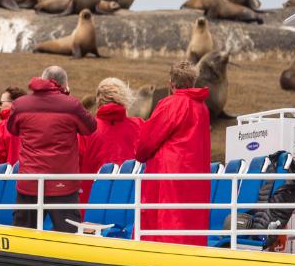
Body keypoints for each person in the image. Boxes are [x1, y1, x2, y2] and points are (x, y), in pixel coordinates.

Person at [8, 66, 97, 232]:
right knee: (69, 237)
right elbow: (90, 128)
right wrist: (66, 97)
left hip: (30, 183)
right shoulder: (72, 106)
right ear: (64, 85)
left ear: (42, 79)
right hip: (63, 184)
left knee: (22, 236)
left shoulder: (20, 105)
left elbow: (12, 129)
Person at [135, 62, 211, 245]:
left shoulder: (171, 104)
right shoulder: (202, 108)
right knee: (191, 224)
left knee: (167, 225)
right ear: (193, 82)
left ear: (171, 83)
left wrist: (140, 152)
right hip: (195, 175)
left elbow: (147, 141)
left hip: (169, 176)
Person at [78, 78, 143, 205]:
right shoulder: (139, 126)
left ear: (98, 99)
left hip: (92, 200)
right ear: (124, 98)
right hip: (130, 199)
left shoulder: (85, 129)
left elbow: (76, 162)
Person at [0, 86, 26, 169]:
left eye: (1, 103)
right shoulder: (32, 124)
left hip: (7, 178)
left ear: (13, 103)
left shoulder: (3, 126)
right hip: (29, 177)